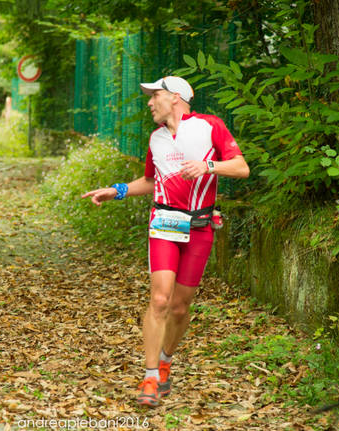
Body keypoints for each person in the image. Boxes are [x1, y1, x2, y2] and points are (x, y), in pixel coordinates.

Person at [82, 76, 249, 406]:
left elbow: (242, 168)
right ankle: (148, 378)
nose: (149, 102)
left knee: (180, 306)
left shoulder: (209, 126)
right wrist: (117, 191)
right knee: (160, 300)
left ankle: (165, 365)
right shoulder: (156, 138)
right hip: (164, 223)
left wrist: (208, 166)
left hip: (200, 226)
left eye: (154, 95)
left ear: (175, 97)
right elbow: (149, 180)